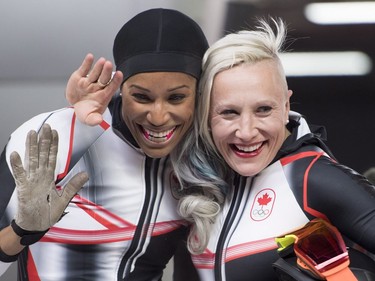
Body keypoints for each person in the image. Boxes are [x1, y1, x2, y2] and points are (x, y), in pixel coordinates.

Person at [0, 8, 208, 280]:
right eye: (141, 97)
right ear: (121, 88)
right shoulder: (55, 137)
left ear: (200, 94)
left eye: (176, 98)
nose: (158, 117)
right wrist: (22, 231)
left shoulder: (205, 158)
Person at [169, 18, 375, 280]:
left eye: (263, 110)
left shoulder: (311, 177)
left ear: (286, 106)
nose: (246, 131)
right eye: (229, 113)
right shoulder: (192, 186)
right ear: (206, 115)